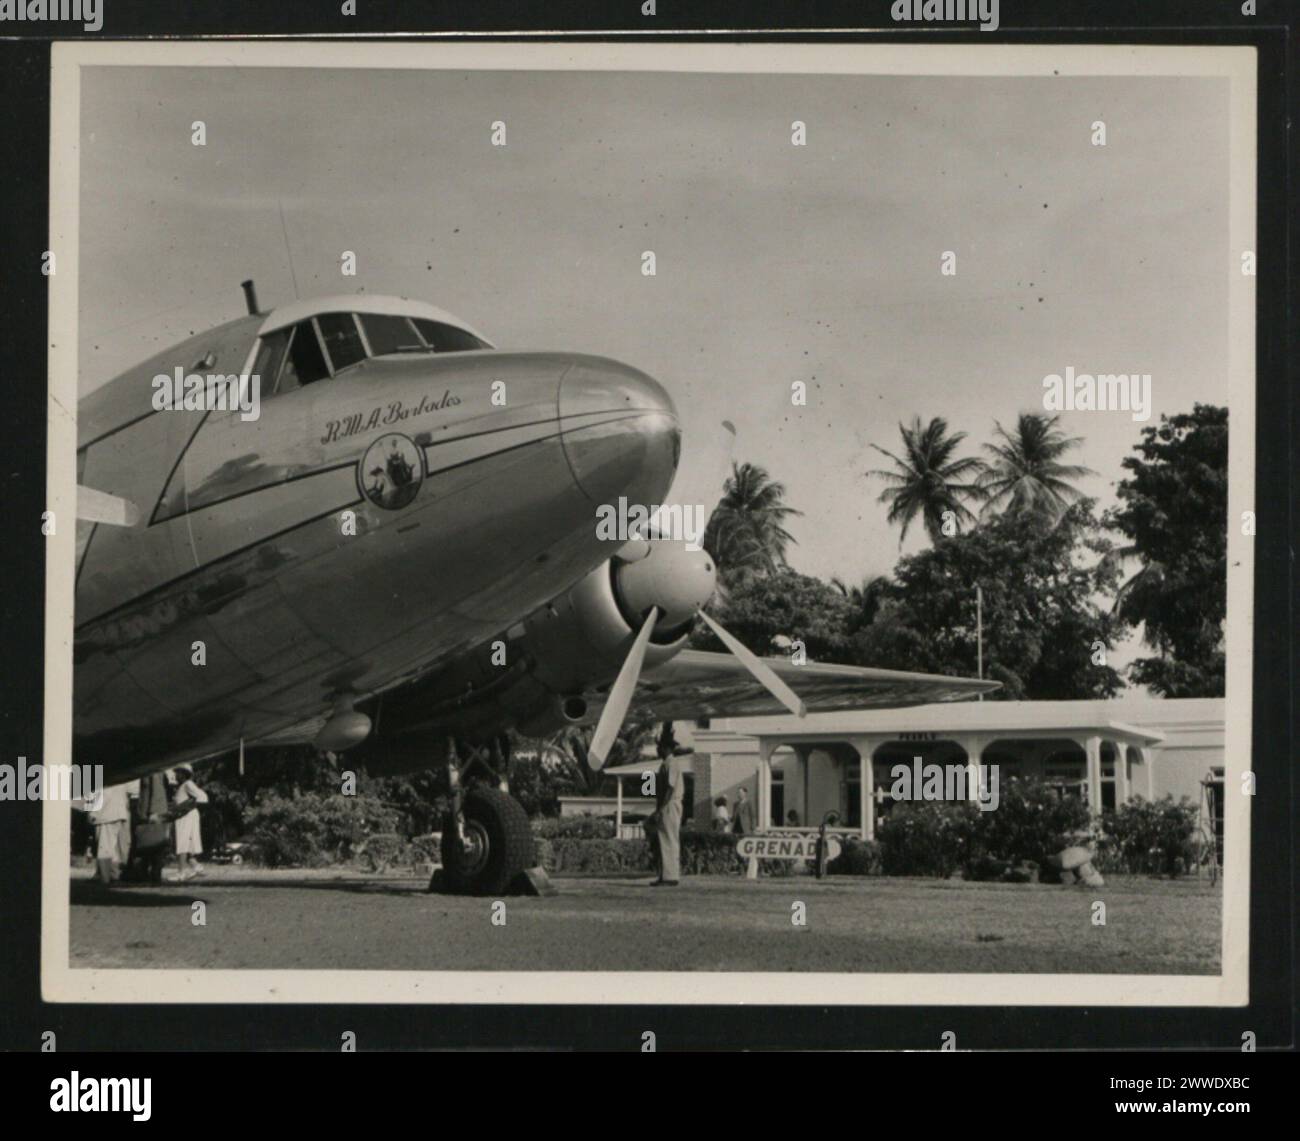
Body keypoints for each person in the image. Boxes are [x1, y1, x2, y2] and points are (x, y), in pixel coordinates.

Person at [77, 780, 138, 886]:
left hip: (106, 815)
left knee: (104, 847)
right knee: (113, 847)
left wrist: (93, 813)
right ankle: (114, 875)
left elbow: (101, 795)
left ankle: (105, 878)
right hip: (118, 813)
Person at [650, 723, 689, 887]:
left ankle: (670, 876)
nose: (658, 750)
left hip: (670, 804)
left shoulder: (672, 764)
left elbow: (670, 787)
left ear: (666, 748)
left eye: (660, 747)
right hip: (667, 804)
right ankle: (664, 874)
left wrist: (661, 808)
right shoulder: (665, 764)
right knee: (662, 838)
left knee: (669, 839)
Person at [171, 766, 209, 881]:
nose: (175, 775)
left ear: (183, 774)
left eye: (178, 773)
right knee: (187, 843)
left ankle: (181, 872)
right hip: (185, 816)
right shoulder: (181, 786)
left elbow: (203, 797)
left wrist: (186, 806)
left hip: (187, 816)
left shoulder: (188, 784)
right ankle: (196, 867)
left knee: (183, 842)